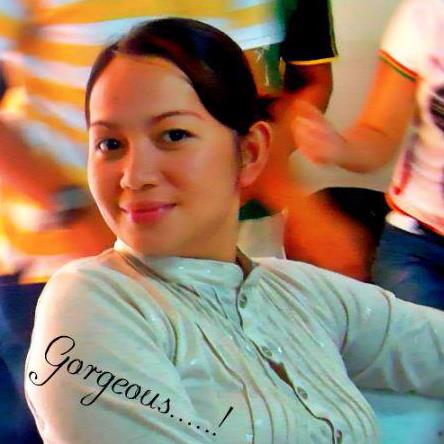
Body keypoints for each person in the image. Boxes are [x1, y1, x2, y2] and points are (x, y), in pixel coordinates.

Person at [25, 18, 444, 444]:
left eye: (173, 135)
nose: (134, 176)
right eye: (110, 144)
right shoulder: (94, 302)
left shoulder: (298, 293)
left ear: (250, 152)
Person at [291, 0, 444, 309]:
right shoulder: (426, 14)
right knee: (419, 337)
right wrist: (337, 147)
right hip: (420, 244)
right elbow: (378, 135)